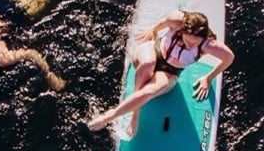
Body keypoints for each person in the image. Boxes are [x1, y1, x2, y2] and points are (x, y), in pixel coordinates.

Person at [87, 9, 235, 137]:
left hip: (169, 72)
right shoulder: (176, 20)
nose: (190, 45)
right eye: (188, 40)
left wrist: (208, 78)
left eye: (194, 43)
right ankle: (134, 111)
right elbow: (163, 23)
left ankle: (119, 114)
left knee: (149, 91)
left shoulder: (209, 45)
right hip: (153, 51)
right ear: (183, 30)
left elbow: (229, 58)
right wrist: (153, 31)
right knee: (146, 65)